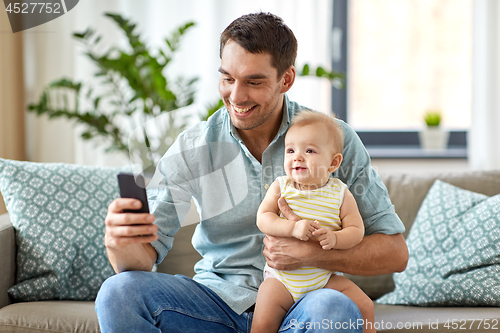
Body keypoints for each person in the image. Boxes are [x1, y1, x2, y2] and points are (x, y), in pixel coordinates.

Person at [96, 12, 408, 333]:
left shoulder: (331, 140)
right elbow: (141, 260)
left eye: (254, 82)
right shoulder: (194, 145)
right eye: (228, 78)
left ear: (285, 79)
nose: (237, 96)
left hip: (304, 302)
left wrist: (309, 255)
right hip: (215, 302)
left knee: (334, 307)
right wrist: (120, 243)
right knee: (118, 292)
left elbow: (395, 254)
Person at [251, 110, 374, 333]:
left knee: (365, 305)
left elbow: (356, 230)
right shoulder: (282, 186)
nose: (297, 156)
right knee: (262, 323)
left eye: (309, 150)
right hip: (282, 280)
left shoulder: (340, 193)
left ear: (333, 162)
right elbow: (263, 218)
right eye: (290, 150)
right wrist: (292, 227)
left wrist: (336, 237)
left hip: (324, 279)